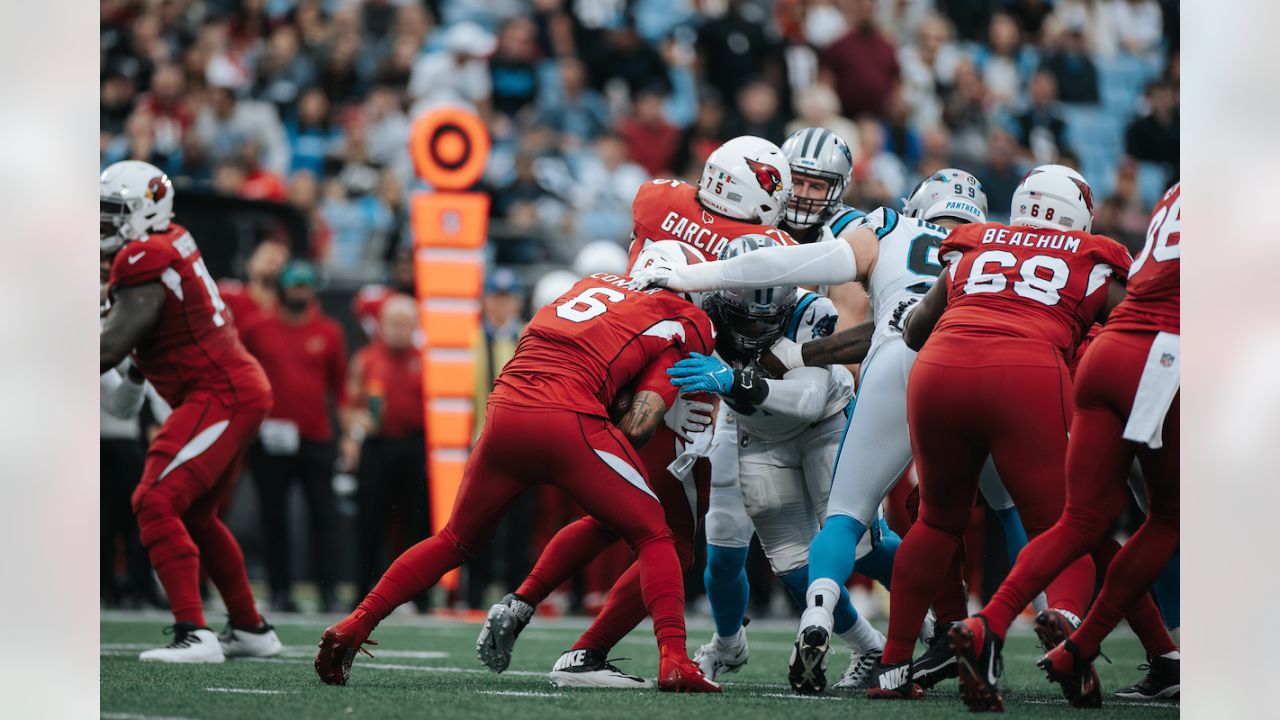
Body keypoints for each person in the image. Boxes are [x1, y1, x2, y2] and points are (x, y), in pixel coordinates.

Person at [315, 242, 722, 693]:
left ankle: (354, 625)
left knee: (454, 539)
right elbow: (642, 419)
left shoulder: (584, 288)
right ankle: (674, 658)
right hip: (568, 419)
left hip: (504, 410)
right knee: (656, 534)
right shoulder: (685, 315)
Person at [952, 183, 1181, 710]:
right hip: (1162, 355)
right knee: (1166, 518)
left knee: (1081, 520)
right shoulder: (1093, 252)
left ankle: (990, 622)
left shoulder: (1175, 191)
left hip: (1106, 354)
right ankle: (1081, 644)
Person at [476, 248, 719, 689]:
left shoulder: (602, 299)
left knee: (604, 522)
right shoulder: (681, 321)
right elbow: (649, 411)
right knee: (671, 545)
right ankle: (598, 651)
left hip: (561, 418)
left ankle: (523, 601)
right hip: (664, 434)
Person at [667, 235, 896, 694]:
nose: (753, 332)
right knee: (791, 563)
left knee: (862, 545)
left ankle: (944, 622)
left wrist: (735, 378)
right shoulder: (703, 310)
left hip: (824, 424)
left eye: (765, 321)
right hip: (755, 432)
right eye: (744, 320)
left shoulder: (810, 309)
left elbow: (810, 400)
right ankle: (868, 645)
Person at [624, 134, 794, 682]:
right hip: (702, 379)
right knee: (681, 533)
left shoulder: (656, 198)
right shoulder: (769, 239)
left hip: (629, 355)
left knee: (630, 513)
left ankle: (534, 605)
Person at [99, 160, 281, 663]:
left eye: (113, 213)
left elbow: (106, 349)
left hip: (218, 392)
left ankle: (194, 633)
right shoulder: (169, 240)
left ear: (144, 212)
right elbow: (122, 397)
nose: (102, 224)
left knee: (153, 501)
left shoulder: (144, 257)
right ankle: (250, 628)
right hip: (228, 389)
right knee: (197, 513)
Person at [241, 260, 347, 613]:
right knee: (273, 517)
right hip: (270, 439)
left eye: (306, 284)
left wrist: (345, 432)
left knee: (324, 517)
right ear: (283, 287)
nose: (300, 290)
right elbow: (243, 375)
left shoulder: (329, 331)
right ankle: (279, 590)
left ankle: (328, 591)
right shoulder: (258, 328)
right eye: (295, 284)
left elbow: (340, 387)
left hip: (316, 436)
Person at [345, 294, 430, 608]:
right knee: (370, 520)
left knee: (417, 523)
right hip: (378, 447)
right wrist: (354, 428)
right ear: (381, 325)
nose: (399, 329)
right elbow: (349, 404)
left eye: (405, 323)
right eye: (393, 323)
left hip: (414, 445)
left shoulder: (425, 359)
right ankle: (362, 590)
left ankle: (419, 595)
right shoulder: (366, 359)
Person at [217, 239, 290, 335]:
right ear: (250, 264)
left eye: (277, 261)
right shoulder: (227, 295)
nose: (273, 265)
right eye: (267, 258)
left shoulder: (289, 309)